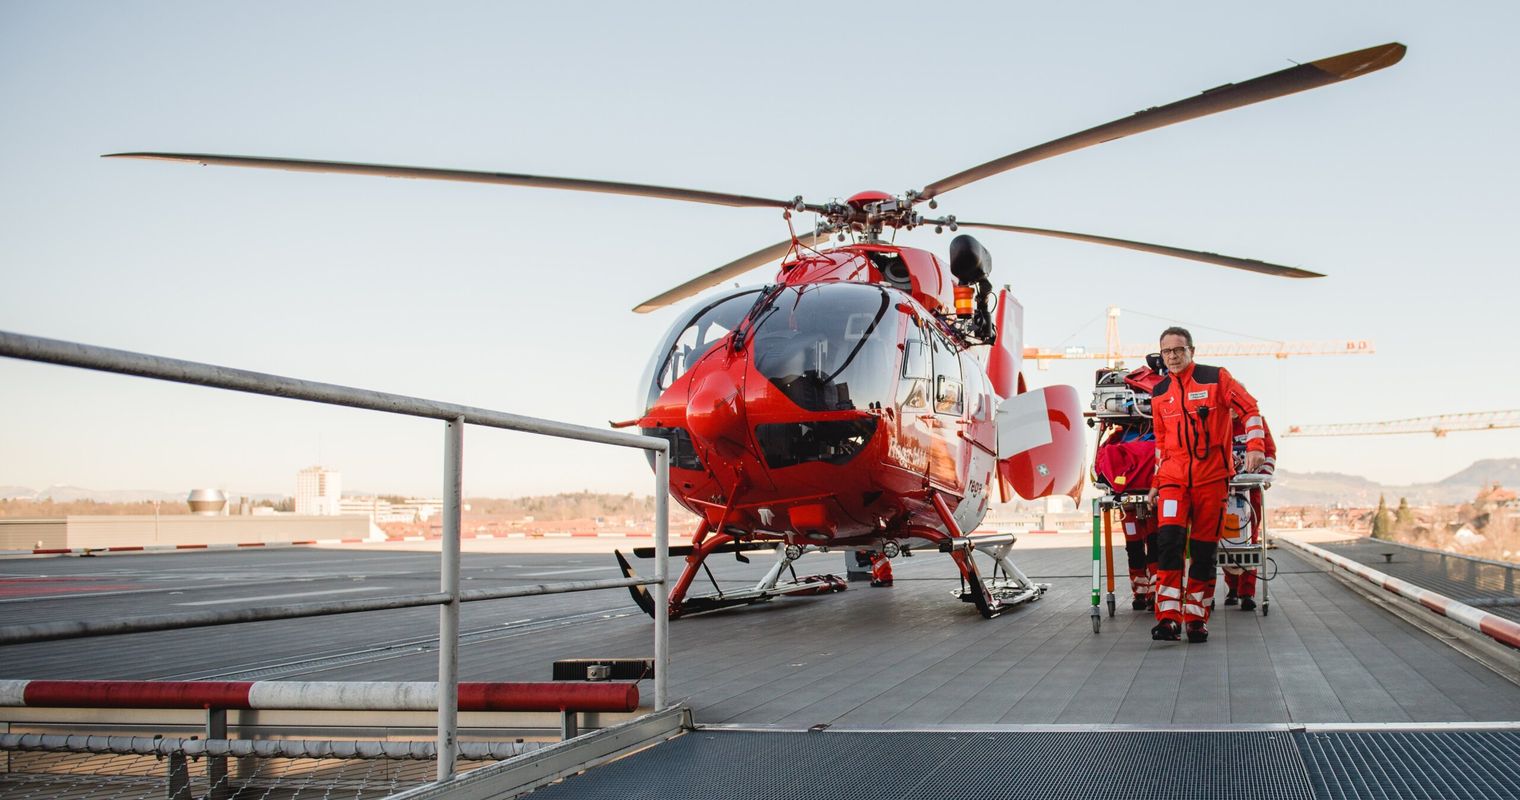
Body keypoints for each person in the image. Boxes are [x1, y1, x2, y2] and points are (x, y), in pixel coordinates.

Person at [1145, 327, 1266, 642]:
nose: (1172, 356)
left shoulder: (1217, 379)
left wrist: (1255, 447)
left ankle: (1196, 618)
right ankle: (1168, 618)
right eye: (1166, 351)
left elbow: (1251, 409)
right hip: (1173, 481)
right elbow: (1161, 443)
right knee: (1169, 545)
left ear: (1191, 351)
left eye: (1178, 350)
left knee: (1203, 552)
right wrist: (1156, 482)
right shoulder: (1159, 393)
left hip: (1211, 480)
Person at [1223, 412, 1276, 611]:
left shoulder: (1257, 423)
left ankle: (1247, 592)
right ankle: (1232, 588)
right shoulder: (1218, 420)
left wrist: (1263, 477)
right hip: (1224, 489)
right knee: (1227, 538)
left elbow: (1269, 451)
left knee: (1249, 539)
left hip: (1251, 489)